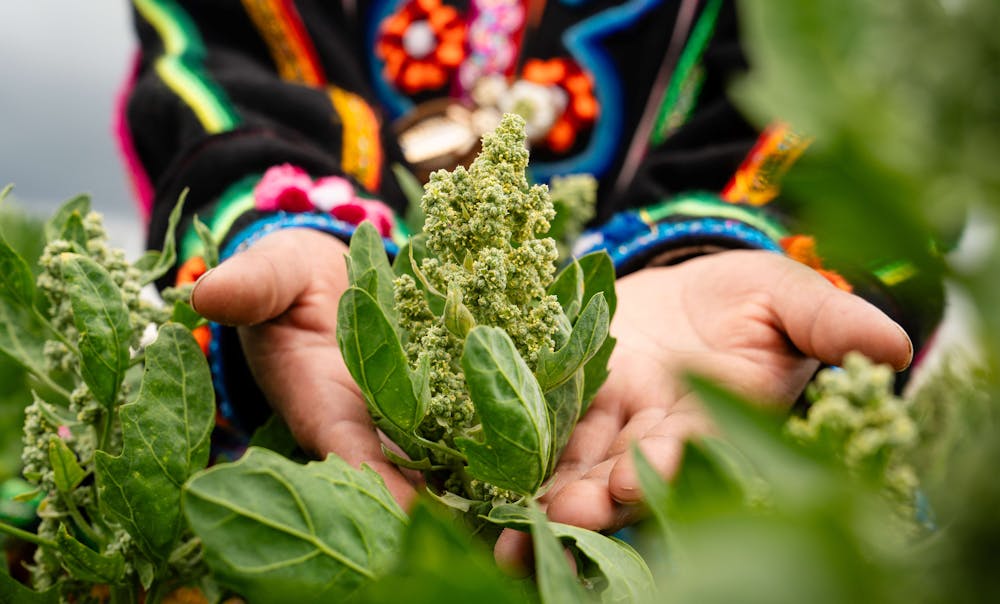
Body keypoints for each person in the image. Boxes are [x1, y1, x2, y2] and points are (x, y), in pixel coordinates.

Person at [119, 0, 938, 564]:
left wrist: (716, 250)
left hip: (681, 425)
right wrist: (293, 217)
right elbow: (216, 58)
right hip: (333, 426)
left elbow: (878, 86)